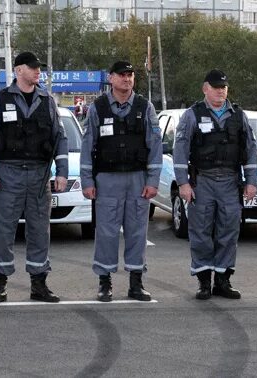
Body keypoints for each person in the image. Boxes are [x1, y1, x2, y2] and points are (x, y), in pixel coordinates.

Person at [0, 51, 68, 305]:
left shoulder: (47, 100)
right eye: (32, 67)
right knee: (3, 231)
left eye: (39, 67)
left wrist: (61, 172)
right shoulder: (0, 99)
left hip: (39, 177)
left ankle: (39, 284)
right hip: (8, 174)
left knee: (40, 231)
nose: (37, 71)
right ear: (18, 70)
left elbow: (60, 139)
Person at [80, 60, 162, 302]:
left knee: (137, 232)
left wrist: (153, 180)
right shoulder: (98, 108)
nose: (127, 79)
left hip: (137, 179)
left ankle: (136, 282)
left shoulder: (144, 107)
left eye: (131, 75)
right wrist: (87, 181)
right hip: (107, 179)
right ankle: (104, 282)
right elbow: (87, 146)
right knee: (106, 232)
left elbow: (155, 146)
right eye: (122, 75)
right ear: (111, 77)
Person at [173, 69, 257, 300]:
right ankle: (203, 281)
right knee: (200, 230)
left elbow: (250, 150)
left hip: (230, 182)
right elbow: (180, 151)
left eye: (224, 88)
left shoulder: (238, 115)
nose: (221, 91)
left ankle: (223, 279)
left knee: (229, 231)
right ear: (205, 89)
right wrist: (183, 184)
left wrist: (251, 182)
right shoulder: (192, 115)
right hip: (203, 181)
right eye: (216, 87)